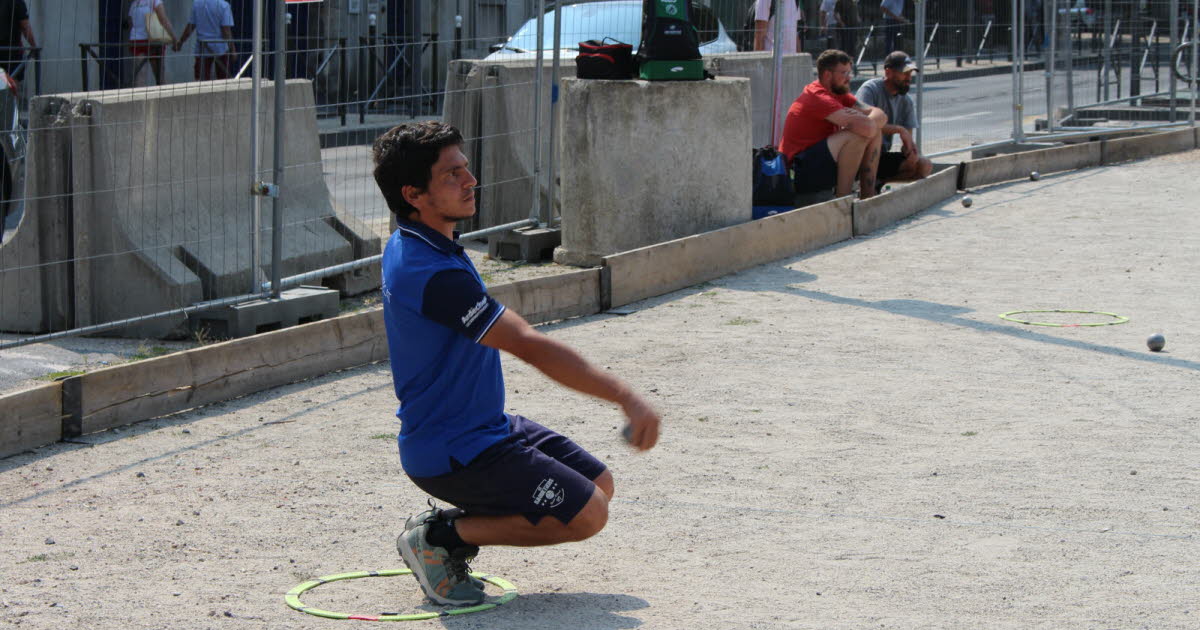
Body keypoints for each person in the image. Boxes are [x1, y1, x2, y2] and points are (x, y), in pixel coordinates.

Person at [373, 121, 662, 606]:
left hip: (486, 428)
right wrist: (626, 397)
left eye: (466, 167)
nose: (470, 180)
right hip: (451, 449)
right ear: (413, 194)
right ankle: (442, 539)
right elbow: (529, 345)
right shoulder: (430, 271)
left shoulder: (423, 242)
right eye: (452, 175)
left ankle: (448, 533)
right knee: (588, 514)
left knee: (599, 485)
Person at [780, 49, 886, 199]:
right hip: (798, 171)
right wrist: (862, 122)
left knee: (874, 132)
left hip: (819, 163)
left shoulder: (838, 92)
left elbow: (880, 115)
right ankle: (844, 199)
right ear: (827, 75)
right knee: (856, 136)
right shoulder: (818, 96)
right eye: (843, 73)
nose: (848, 78)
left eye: (849, 72)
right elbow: (867, 127)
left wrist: (862, 122)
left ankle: (868, 195)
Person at [854, 51, 933, 184]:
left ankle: (879, 183)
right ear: (888, 72)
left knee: (924, 165)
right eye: (904, 73)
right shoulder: (870, 89)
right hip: (860, 154)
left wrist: (910, 151)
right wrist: (899, 130)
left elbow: (907, 138)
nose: (908, 78)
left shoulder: (906, 101)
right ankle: (866, 185)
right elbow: (863, 124)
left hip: (882, 155)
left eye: (910, 73)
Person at [175, 0, 235, 81]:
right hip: (220, 48)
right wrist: (233, 50)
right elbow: (226, 31)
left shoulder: (197, 4)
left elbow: (190, 26)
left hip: (202, 48)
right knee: (223, 79)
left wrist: (181, 42)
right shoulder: (224, 5)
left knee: (201, 80)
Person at [126, 0, 178, 86]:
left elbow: (131, 23)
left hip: (137, 41)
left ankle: (139, 97)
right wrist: (174, 38)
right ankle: (163, 97)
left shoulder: (134, 4)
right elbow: (163, 20)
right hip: (154, 41)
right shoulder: (155, 1)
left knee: (140, 74)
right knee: (159, 75)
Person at [0, 0, 36, 83]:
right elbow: (25, 27)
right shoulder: (17, 2)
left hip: (8, 53)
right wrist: (34, 47)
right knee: (13, 88)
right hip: (11, 54)